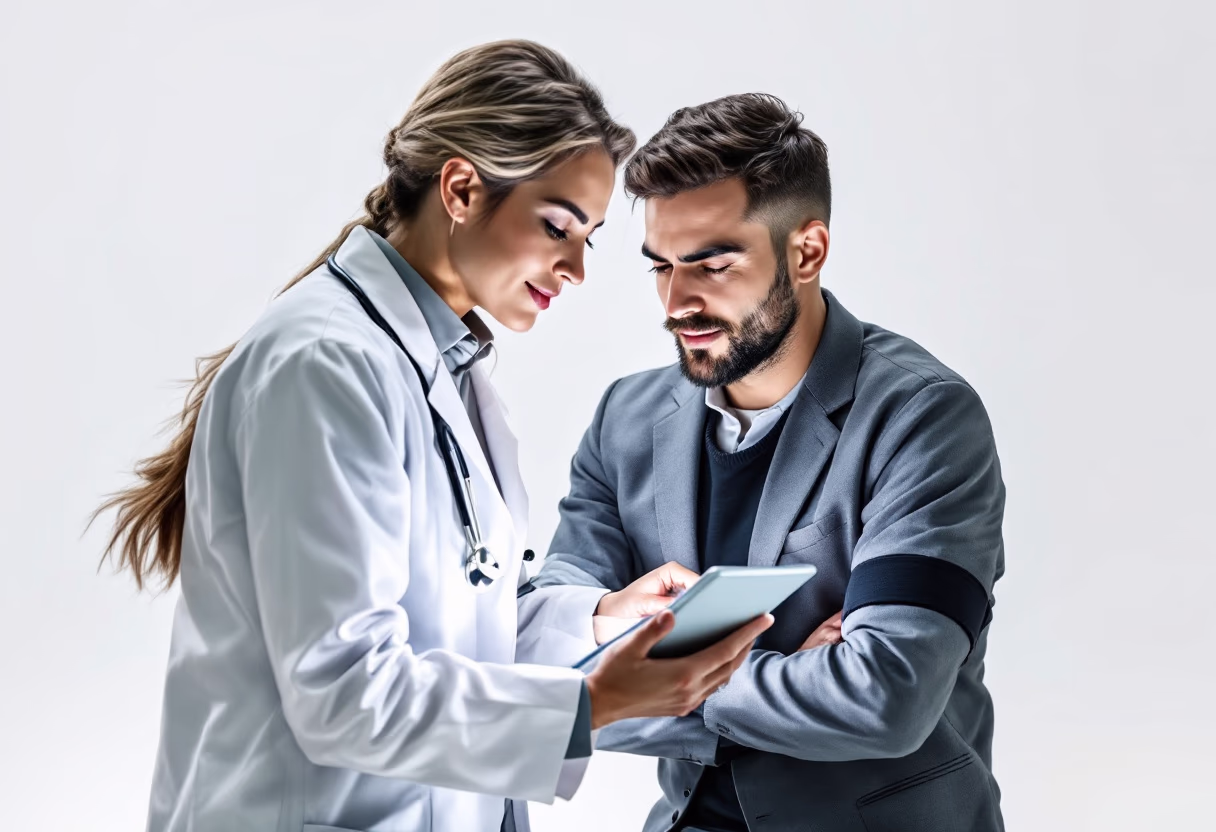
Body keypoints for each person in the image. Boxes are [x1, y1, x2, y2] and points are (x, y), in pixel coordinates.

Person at [92, 42, 771, 832]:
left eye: (587, 238)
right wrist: (593, 702)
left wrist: (601, 621)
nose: (576, 270)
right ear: (460, 188)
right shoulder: (324, 365)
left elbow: (455, 626)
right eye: (558, 227)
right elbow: (343, 694)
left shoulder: (445, 364)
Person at [525, 93, 1007, 832]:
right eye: (660, 267)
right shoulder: (625, 420)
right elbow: (540, 660)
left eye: (712, 265)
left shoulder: (924, 417)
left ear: (806, 251)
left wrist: (639, 682)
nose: (676, 301)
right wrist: (789, 667)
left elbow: (884, 700)